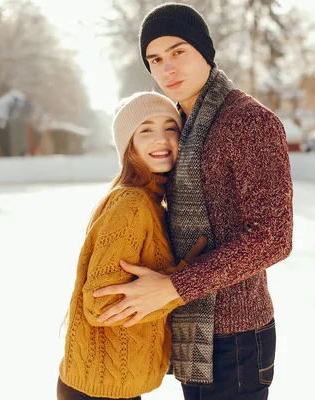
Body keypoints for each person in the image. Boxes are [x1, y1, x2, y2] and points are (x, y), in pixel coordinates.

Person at [93, 3, 294, 399]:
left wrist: (175, 287)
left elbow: (273, 237)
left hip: (236, 338)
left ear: (205, 51)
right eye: (155, 58)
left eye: (178, 51)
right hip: (194, 332)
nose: (168, 68)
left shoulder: (248, 121)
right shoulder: (184, 127)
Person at [58, 91, 206, 400]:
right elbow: (102, 305)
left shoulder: (151, 203)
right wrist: (180, 283)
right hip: (98, 391)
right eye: (146, 130)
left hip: (111, 384)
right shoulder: (132, 204)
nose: (161, 139)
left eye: (170, 127)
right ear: (129, 144)